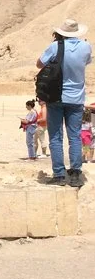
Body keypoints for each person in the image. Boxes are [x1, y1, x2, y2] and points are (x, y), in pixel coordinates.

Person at [37, 19, 92, 187]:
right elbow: (86, 62)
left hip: (56, 96)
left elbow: (39, 64)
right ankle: (75, 173)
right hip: (77, 98)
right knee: (74, 136)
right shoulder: (86, 47)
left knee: (55, 137)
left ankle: (59, 174)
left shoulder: (55, 47)